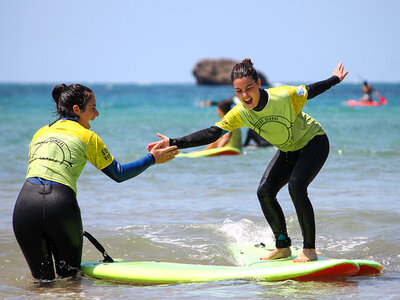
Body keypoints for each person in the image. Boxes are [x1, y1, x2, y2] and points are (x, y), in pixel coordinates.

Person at [148, 59, 348, 263]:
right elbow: (212, 133)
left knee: (296, 186)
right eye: (238, 91)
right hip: (289, 148)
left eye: (249, 88)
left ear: (259, 83)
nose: (245, 96)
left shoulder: (284, 96)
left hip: (314, 141)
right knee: (265, 192)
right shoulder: (241, 112)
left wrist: (334, 79)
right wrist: (174, 142)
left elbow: (310, 90)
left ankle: (309, 250)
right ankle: (282, 247)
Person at [12, 84, 179, 280]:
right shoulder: (88, 137)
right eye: (92, 108)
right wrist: (152, 159)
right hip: (60, 206)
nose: (97, 113)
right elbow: (119, 173)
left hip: (24, 208)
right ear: (76, 110)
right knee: (70, 279)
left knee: (42, 283)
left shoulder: (39, 133)